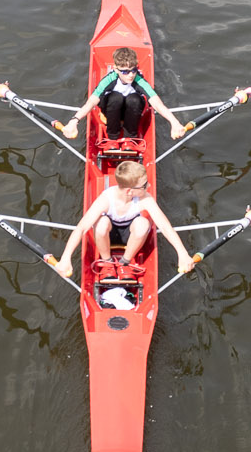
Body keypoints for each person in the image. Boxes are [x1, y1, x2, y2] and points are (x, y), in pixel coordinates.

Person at [51, 159, 197, 284]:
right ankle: (107, 263)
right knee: (101, 223)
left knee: (143, 224)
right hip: (108, 234)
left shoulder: (145, 198)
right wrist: (65, 258)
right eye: (145, 185)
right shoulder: (106, 199)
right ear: (129, 191)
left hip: (130, 236)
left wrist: (182, 253)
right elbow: (81, 228)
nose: (149, 187)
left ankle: (125, 263)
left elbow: (165, 227)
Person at [56, 46, 189, 144]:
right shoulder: (109, 80)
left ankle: (131, 137)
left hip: (132, 110)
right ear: (116, 69)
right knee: (115, 98)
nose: (130, 75)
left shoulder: (140, 81)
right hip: (112, 110)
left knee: (134, 99)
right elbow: (90, 103)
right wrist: (74, 121)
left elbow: (158, 104)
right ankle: (112, 137)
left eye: (133, 70)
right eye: (125, 72)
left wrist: (174, 122)